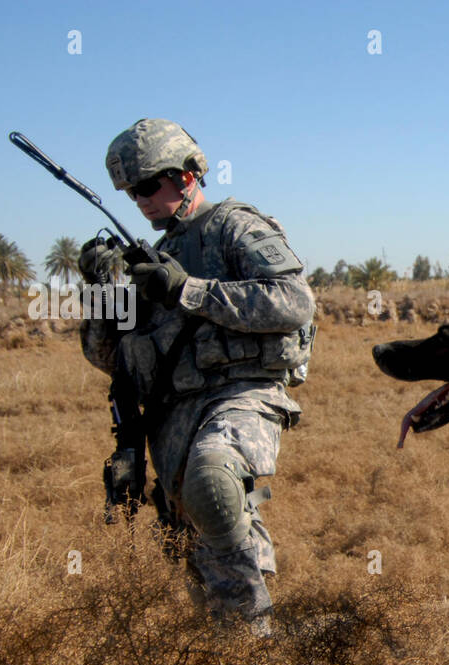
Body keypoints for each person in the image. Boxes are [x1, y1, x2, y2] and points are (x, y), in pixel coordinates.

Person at [77, 118, 316, 637]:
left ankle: (255, 651)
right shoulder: (147, 265)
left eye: (147, 186)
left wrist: (188, 290)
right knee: (197, 561)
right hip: (169, 420)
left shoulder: (234, 227)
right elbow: (108, 356)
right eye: (130, 192)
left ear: (186, 176)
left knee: (213, 483)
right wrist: (100, 288)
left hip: (239, 394)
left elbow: (294, 302)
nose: (138, 200)